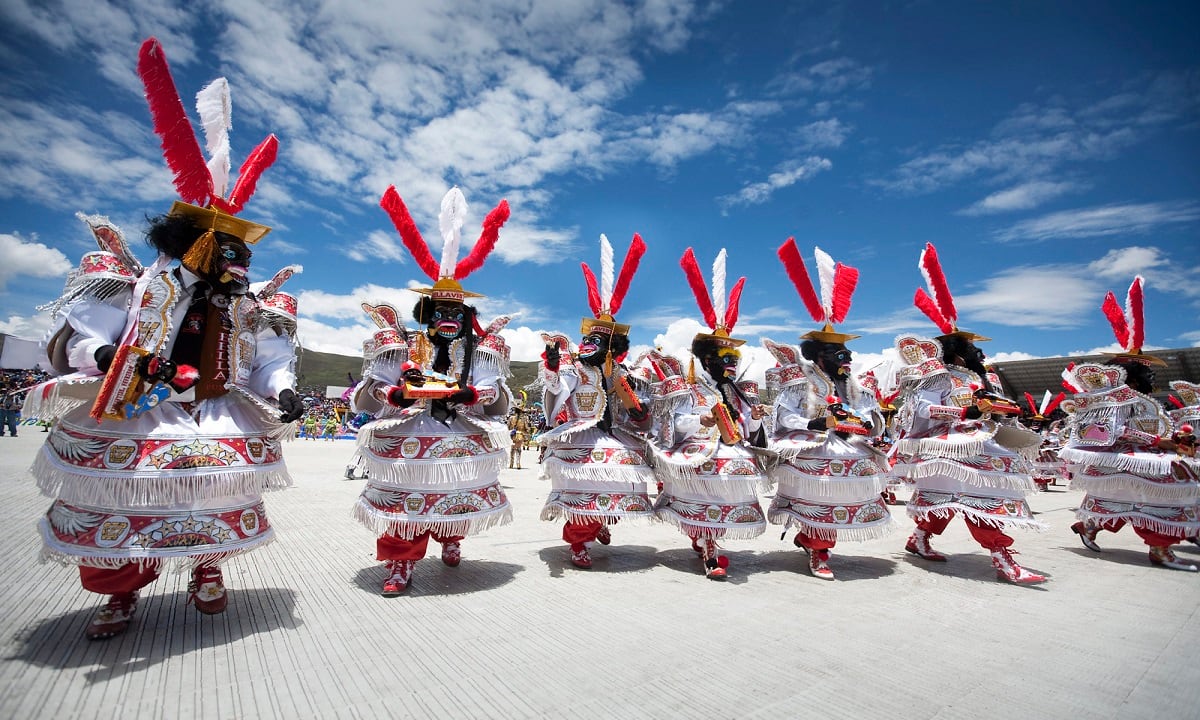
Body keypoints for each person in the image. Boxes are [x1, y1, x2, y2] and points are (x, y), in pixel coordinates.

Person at [25, 38, 304, 640]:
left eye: (242, 254)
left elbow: (261, 362)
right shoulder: (136, 285)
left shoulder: (241, 307)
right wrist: (106, 357)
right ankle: (120, 593)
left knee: (209, 493)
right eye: (229, 252)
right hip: (137, 406)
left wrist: (282, 392)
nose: (240, 264)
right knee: (125, 502)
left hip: (210, 409)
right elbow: (85, 335)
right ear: (195, 245)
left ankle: (206, 571)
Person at [350, 186, 514, 595]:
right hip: (410, 429)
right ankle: (401, 562)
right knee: (406, 500)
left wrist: (470, 396)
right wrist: (396, 397)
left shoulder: (481, 352)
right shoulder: (401, 345)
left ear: (466, 317)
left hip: (459, 430)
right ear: (427, 314)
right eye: (440, 311)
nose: (448, 319)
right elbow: (374, 388)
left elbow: (493, 391)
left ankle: (451, 536)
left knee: (453, 493)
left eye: (456, 312)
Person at [891, 243, 1046, 584]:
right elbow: (923, 409)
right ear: (959, 354)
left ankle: (918, 539)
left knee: (956, 499)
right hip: (949, 445)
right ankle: (1002, 558)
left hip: (978, 438)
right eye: (973, 348)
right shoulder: (938, 374)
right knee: (981, 497)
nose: (980, 352)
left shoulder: (981, 377)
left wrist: (999, 410)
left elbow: (988, 409)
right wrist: (967, 410)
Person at [761, 241, 892, 580]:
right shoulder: (799, 381)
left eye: (847, 355)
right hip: (813, 445)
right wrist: (816, 421)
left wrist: (865, 422)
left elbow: (871, 414)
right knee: (821, 493)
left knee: (846, 492)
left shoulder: (854, 385)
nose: (846, 360)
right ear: (819, 356)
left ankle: (814, 541)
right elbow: (783, 416)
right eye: (839, 355)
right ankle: (819, 550)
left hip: (849, 445)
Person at [644, 248, 769, 581]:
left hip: (733, 449)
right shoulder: (690, 388)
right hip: (701, 449)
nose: (731, 363)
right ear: (709, 359)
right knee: (710, 484)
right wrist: (702, 421)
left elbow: (749, 428)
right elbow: (674, 422)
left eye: (734, 358)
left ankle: (707, 539)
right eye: (724, 357)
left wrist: (755, 416)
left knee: (734, 479)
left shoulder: (739, 390)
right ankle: (710, 547)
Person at [1063, 277, 1200, 571]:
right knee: (1165, 490)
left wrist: (1176, 438)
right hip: (1124, 456)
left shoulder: (1140, 399)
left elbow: (1155, 427)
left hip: (1142, 455)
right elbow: (1114, 431)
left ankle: (1088, 526)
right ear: (1132, 374)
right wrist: (1157, 443)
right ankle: (1159, 547)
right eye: (1147, 371)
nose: (1153, 377)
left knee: (1133, 499)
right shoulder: (1115, 398)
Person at [538, 234, 656, 569]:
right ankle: (578, 541)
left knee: (621, 477)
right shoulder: (576, 369)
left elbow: (634, 405)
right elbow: (558, 386)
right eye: (589, 339)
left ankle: (601, 520)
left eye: (600, 340)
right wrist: (550, 368)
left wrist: (639, 410)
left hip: (612, 432)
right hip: (582, 434)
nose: (591, 344)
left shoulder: (620, 373)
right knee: (587, 482)